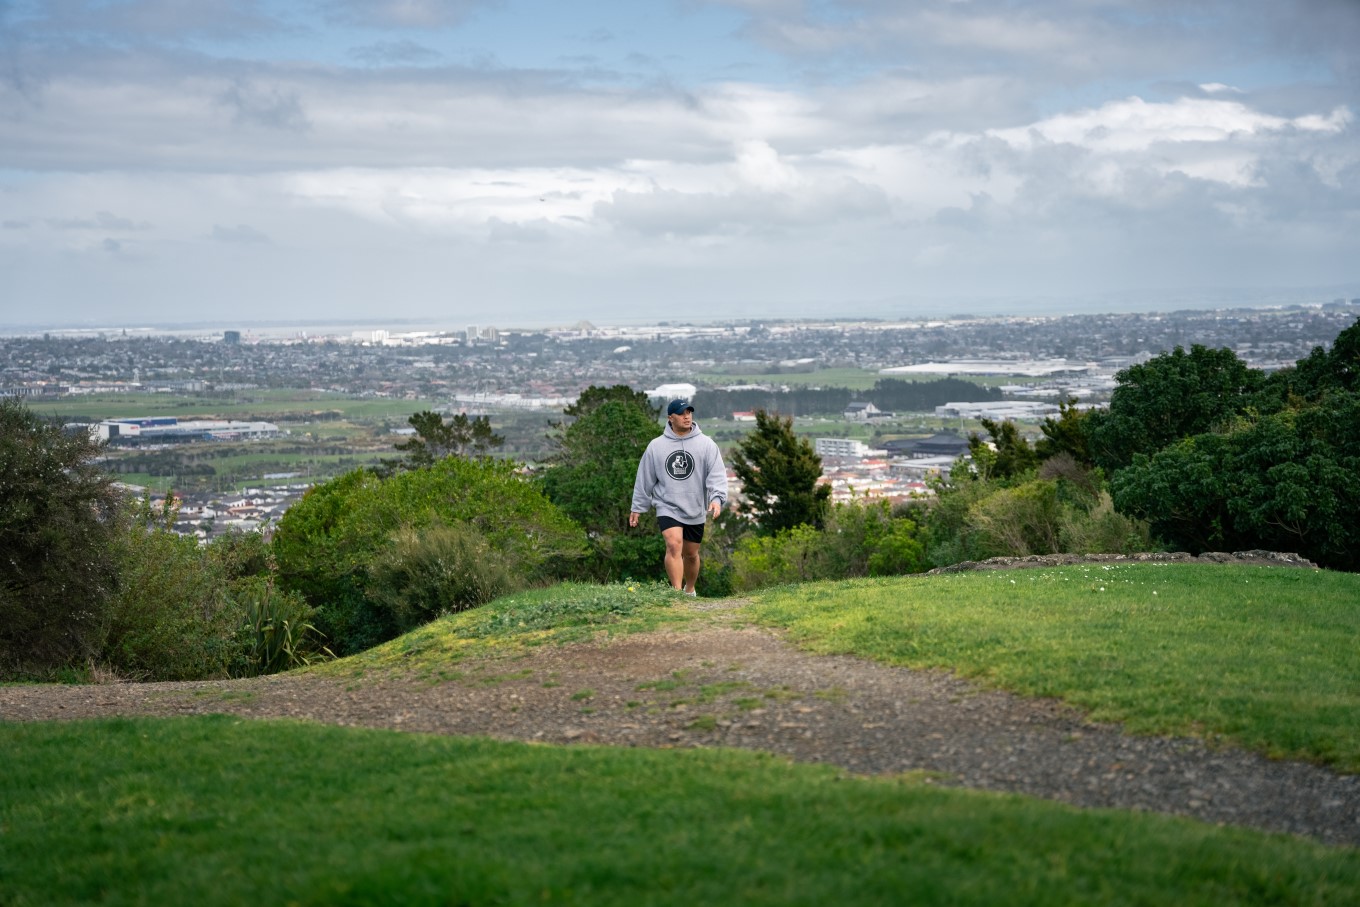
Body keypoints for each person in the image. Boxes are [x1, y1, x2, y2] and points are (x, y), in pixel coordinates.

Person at [629, 398, 728, 595]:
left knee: (691, 554)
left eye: (689, 413)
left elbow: (717, 475)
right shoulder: (656, 447)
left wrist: (716, 499)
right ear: (670, 418)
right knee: (673, 545)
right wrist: (638, 507)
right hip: (667, 505)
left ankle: (689, 589)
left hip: (695, 507)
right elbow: (644, 478)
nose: (687, 417)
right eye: (682, 413)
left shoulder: (706, 444)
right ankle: (676, 594)